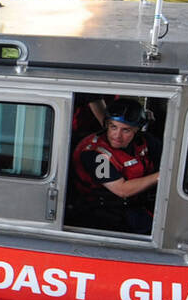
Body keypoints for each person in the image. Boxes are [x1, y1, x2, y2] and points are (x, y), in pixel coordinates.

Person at [69, 98, 161, 234]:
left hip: (136, 205)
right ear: (106, 124)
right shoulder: (95, 154)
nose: (117, 136)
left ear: (137, 130)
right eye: (113, 127)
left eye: (126, 130)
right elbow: (122, 190)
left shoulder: (144, 140)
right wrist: (162, 176)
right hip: (103, 212)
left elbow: (171, 157)